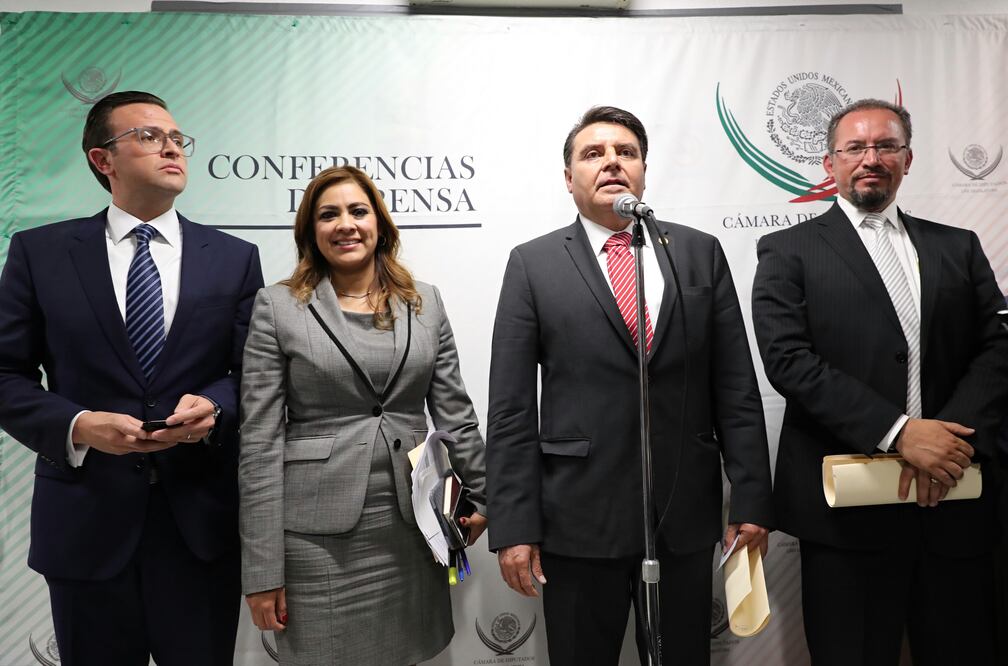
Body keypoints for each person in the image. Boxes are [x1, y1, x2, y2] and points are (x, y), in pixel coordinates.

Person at [486, 105, 774, 666]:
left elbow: (736, 387)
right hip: (576, 518)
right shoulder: (533, 264)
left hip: (684, 514)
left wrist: (753, 498)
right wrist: (514, 526)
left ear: (644, 171)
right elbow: (511, 409)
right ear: (568, 179)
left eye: (626, 152)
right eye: (592, 154)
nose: (611, 162)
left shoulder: (697, 252)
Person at [0, 90, 263, 665]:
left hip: (199, 525)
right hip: (84, 526)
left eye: (177, 138)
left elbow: (252, 373)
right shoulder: (39, 253)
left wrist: (215, 408)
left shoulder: (234, 258)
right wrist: (77, 424)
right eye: (148, 136)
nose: (171, 146)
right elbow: (5, 374)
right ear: (103, 160)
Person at [752, 99, 1008, 666]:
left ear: (908, 159)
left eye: (886, 146)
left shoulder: (957, 245)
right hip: (846, 518)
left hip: (952, 503)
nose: (871, 158)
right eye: (855, 148)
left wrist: (950, 443)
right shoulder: (787, 251)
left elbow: (997, 345)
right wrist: (899, 433)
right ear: (829, 163)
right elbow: (788, 360)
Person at [239, 165, 487, 665]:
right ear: (310, 231)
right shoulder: (278, 306)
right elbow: (259, 443)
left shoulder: (425, 302)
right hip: (316, 540)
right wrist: (263, 572)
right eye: (328, 215)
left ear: (379, 222)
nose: (345, 224)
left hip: (412, 528)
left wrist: (484, 496)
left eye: (358, 210)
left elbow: (455, 413)